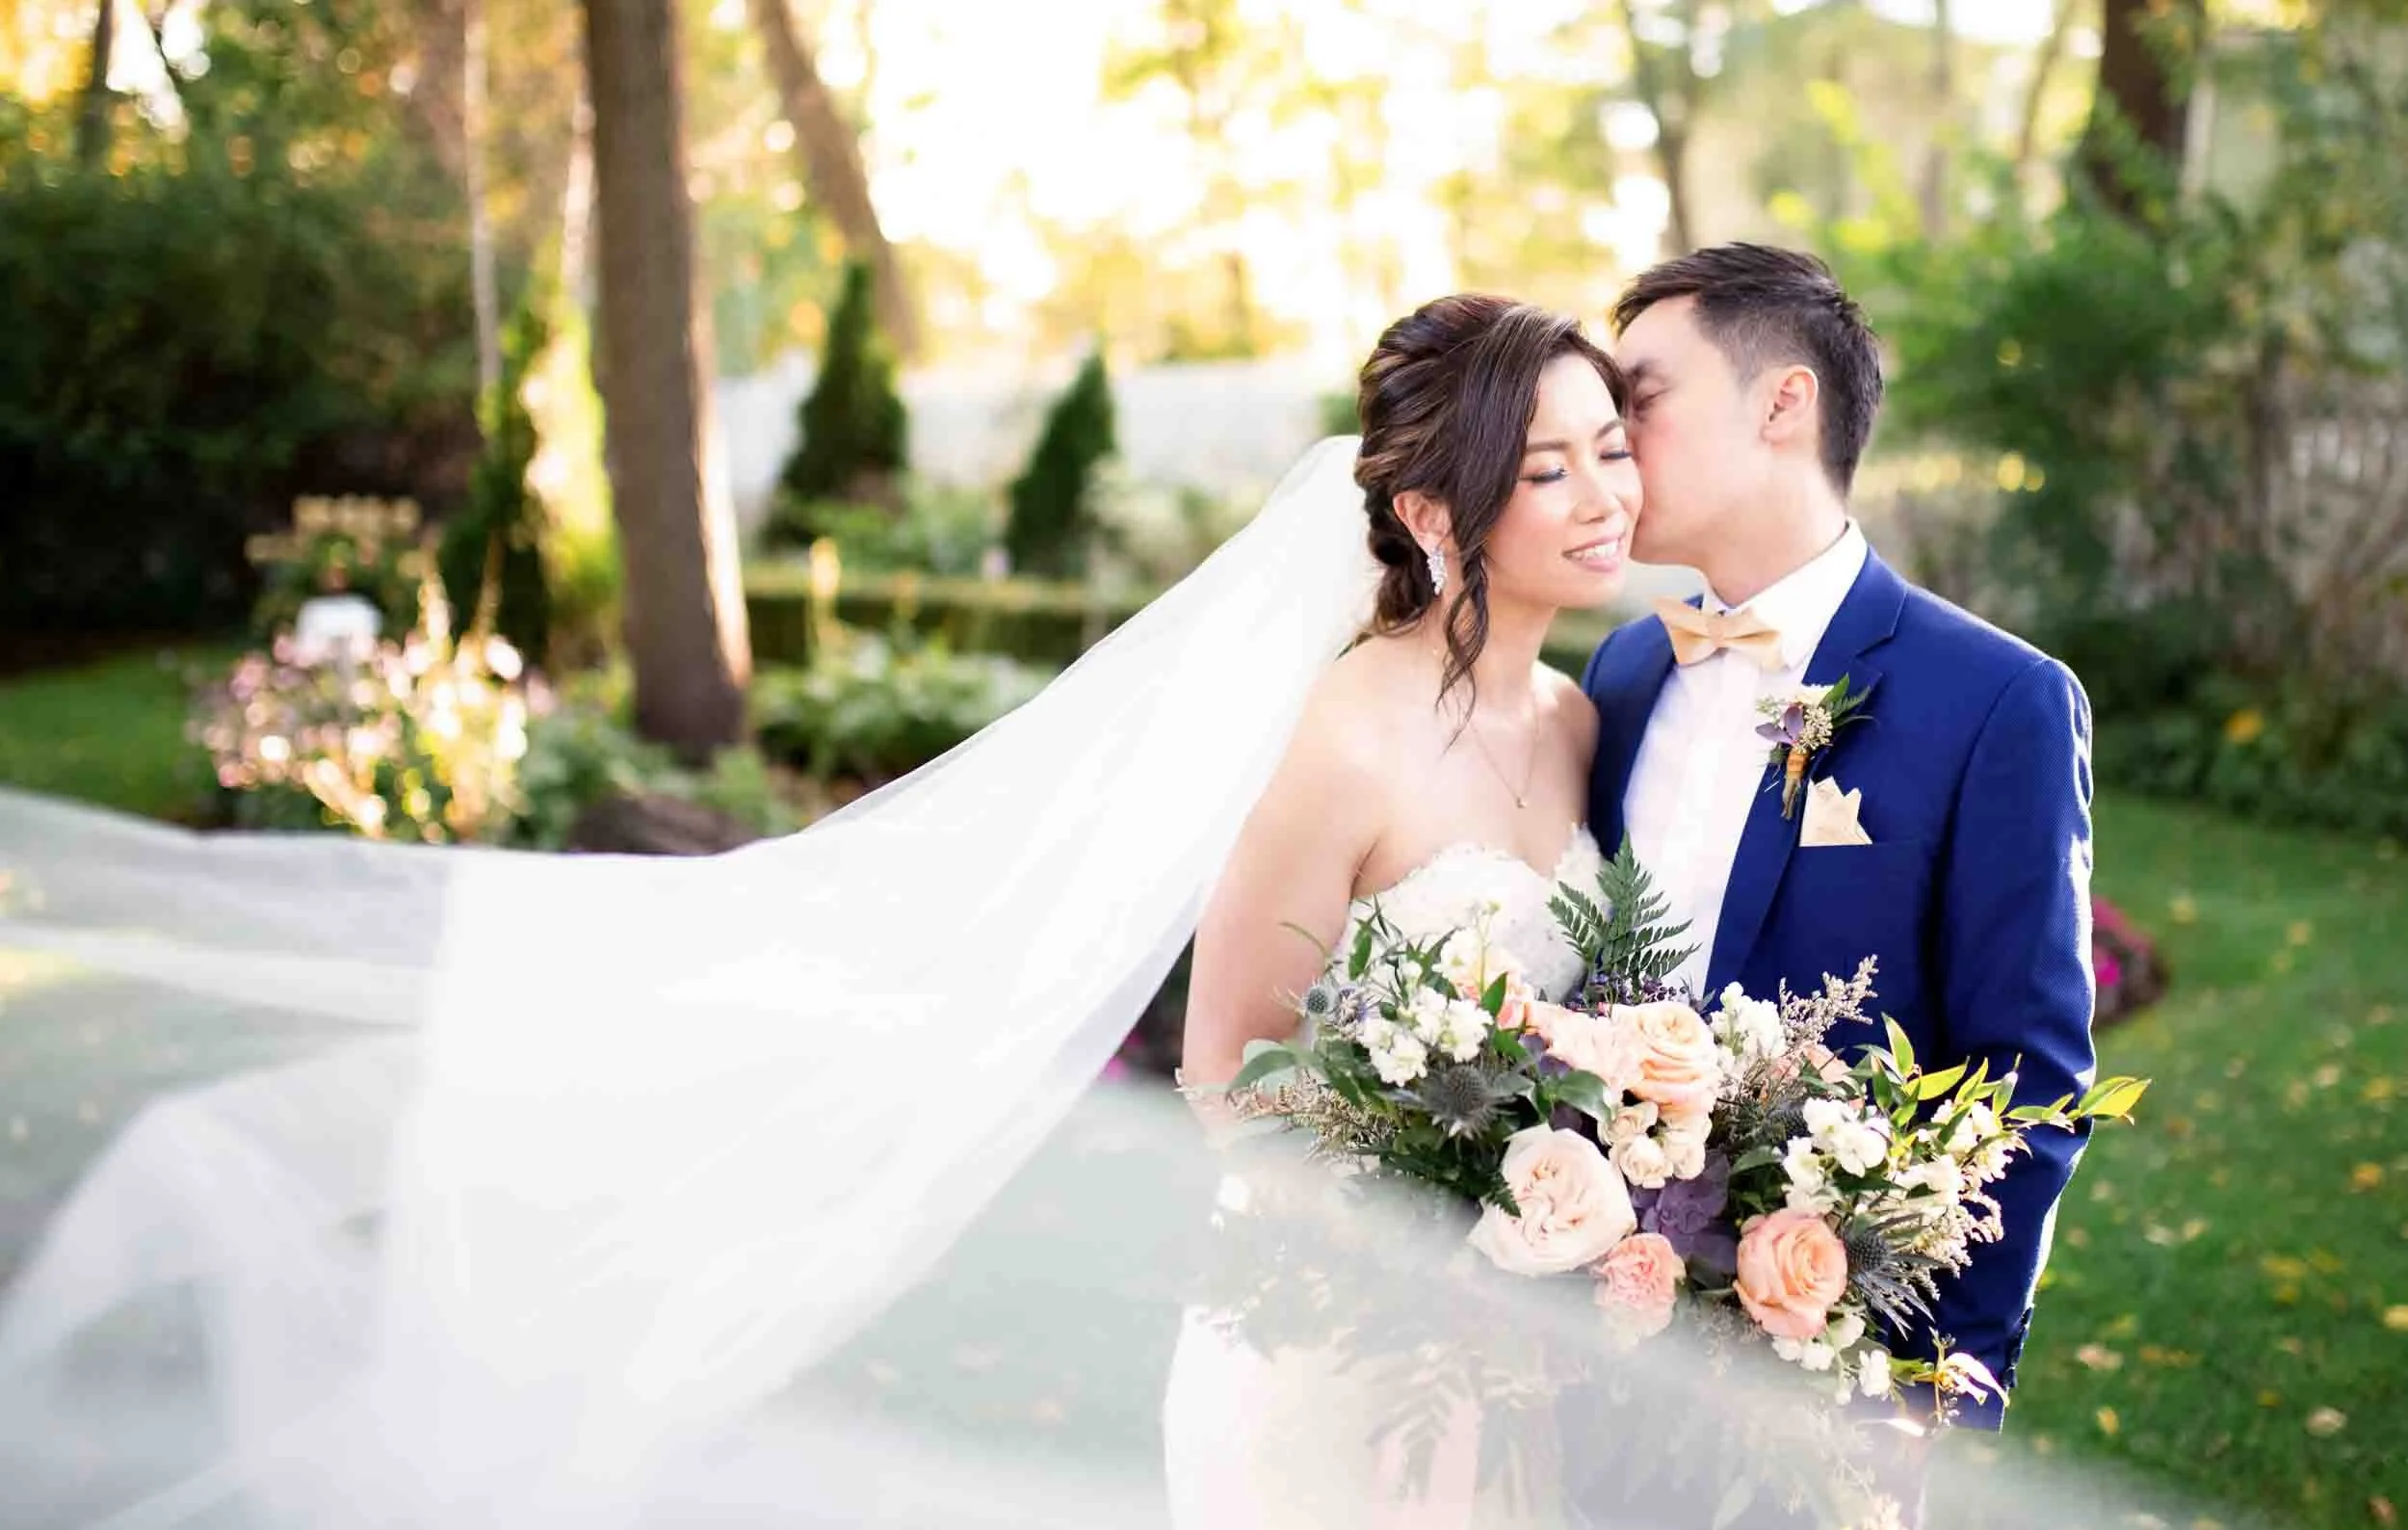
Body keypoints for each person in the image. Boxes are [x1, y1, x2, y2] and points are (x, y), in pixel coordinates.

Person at [1582, 243, 2098, 1444]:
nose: (1611, 443)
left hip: (1830, 1385)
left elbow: (2027, 1084)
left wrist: (1928, 1391)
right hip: (1587, 1344)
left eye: (1640, 400)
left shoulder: (1994, 700)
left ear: (1782, 402)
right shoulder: (1621, 670)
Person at [1169, 293, 1639, 1527]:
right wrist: (1422, 1257)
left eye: (1614, 449)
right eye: (1549, 468)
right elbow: (1224, 1070)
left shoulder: (1580, 717)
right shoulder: (1339, 736)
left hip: (1523, 1353)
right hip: (1343, 1344)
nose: (1605, 497)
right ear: (1430, 513)